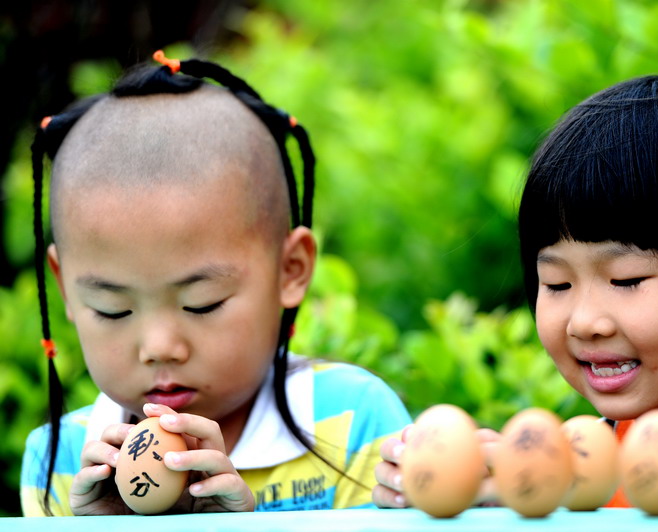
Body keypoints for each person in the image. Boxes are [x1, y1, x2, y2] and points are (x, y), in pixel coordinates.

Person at [372, 75, 658, 510]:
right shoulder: (566, 472)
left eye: (626, 279)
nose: (583, 322)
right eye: (557, 283)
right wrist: (481, 500)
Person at [21, 51, 411, 516]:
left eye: (202, 303)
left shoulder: (351, 422)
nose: (159, 348)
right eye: (113, 309)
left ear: (290, 269)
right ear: (65, 288)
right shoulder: (59, 462)